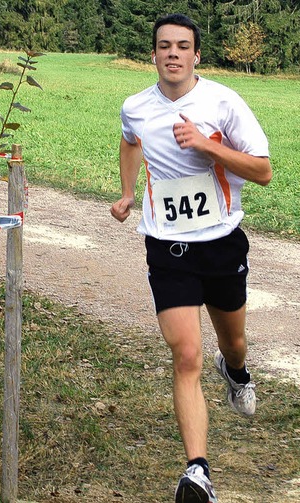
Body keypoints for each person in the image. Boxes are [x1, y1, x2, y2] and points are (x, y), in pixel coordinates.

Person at [110, 13, 272, 503]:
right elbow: (130, 139)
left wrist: (206, 145)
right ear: (154, 54)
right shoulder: (136, 106)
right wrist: (127, 192)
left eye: (183, 46)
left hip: (221, 242)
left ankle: (237, 372)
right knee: (186, 355)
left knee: (234, 342)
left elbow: (263, 171)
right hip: (167, 245)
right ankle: (197, 472)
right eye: (164, 46)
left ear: (197, 55)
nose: (173, 54)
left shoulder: (222, 102)